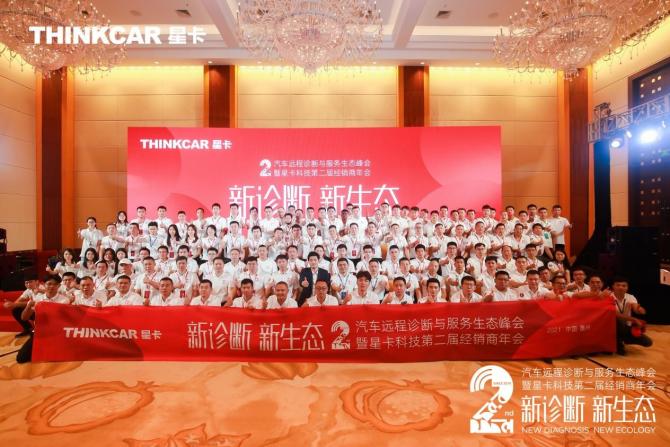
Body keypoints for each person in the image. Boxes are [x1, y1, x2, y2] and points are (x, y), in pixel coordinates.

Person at [611, 276, 653, 355]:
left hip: (626, 327)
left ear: (627, 287)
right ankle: (617, 343)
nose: (621, 287)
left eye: (624, 285)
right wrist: (633, 319)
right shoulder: (609, 296)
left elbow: (635, 307)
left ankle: (622, 340)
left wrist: (639, 309)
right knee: (617, 320)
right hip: (612, 327)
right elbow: (614, 314)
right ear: (613, 286)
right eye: (618, 285)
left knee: (648, 342)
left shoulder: (630, 297)